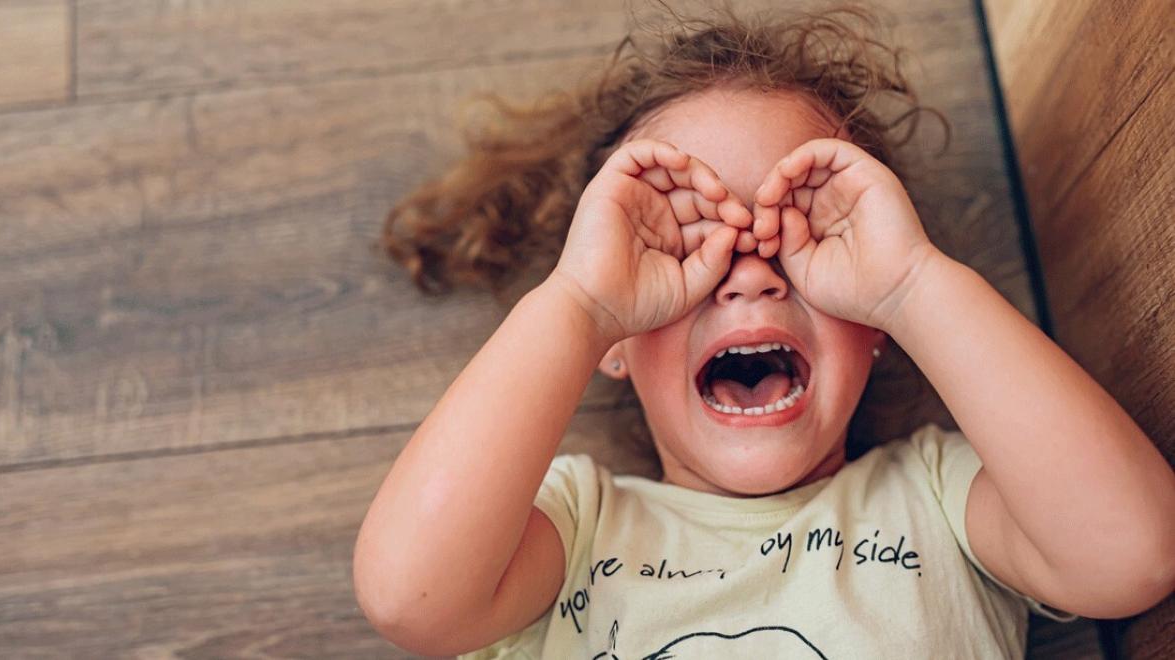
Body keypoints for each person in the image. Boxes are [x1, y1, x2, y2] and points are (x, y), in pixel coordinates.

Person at [352, 4, 1175, 658]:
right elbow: (407, 598)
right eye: (681, 245)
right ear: (612, 345)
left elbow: (1133, 554)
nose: (749, 271)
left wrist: (912, 282)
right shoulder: (576, 525)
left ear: (878, 327)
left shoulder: (937, 497)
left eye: (802, 237)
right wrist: (577, 302)